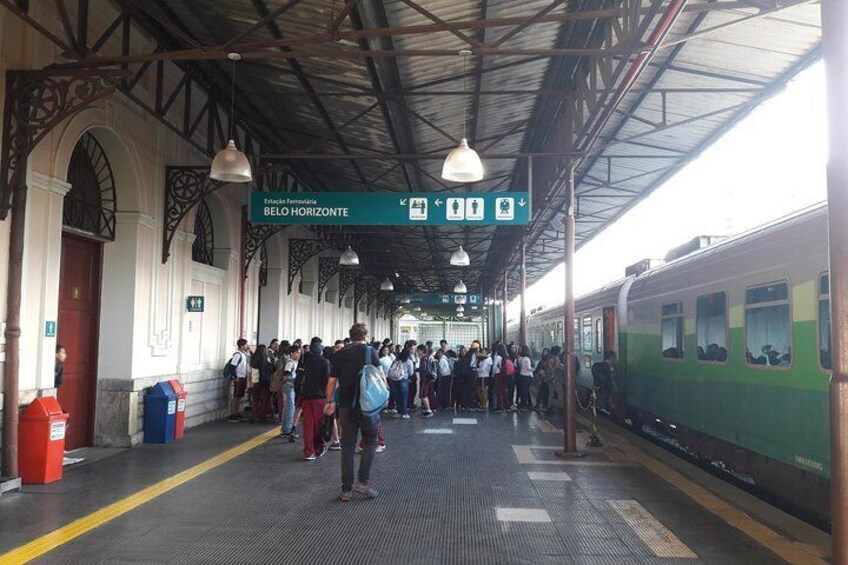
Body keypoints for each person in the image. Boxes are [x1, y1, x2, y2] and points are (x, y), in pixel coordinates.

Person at [324, 323, 382, 501]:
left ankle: (346, 490)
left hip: (346, 406)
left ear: (350, 336)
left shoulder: (339, 354)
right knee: (371, 442)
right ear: (365, 336)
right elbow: (380, 376)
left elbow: (332, 381)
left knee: (347, 446)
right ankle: (362, 483)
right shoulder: (369, 352)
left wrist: (330, 401)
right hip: (368, 406)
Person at [298, 337, 331, 461]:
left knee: (308, 425)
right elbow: (327, 381)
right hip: (319, 397)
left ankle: (308, 452)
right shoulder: (324, 362)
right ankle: (318, 448)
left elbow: (299, 378)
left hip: (306, 397)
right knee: (318, 425)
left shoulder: (304, 361)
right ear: (320, 351)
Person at [280, 347, 301, 441]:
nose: (298, 354)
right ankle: (288, 430)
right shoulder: (290, 363)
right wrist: (294, 382)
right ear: (291, 353)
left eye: (299, 353)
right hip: (289, 387)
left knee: (288, 407)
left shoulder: (295, 363)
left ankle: (285, 429)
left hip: (291, 387)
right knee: (290, 407)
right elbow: (285, 375)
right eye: (296, 352)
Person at [250, 344, 273, 423]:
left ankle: (255, 415)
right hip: (265, 382)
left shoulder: (253, 359)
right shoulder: (266, 360)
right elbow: (271, 368)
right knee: (264, 400)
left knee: (255, 399)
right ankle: (262, 415)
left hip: (256, 382)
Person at [388, 348, 414, 419]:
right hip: (404, 379)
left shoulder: (396, 360)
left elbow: (390, 368)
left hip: (394, 379)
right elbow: (411, 373)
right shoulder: (409, 362)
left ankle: (399, 412)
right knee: (404, 397)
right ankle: (404, 413)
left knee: (397, 396)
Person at [417, 344, 436, 418]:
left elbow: (423, 369)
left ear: (421, 350)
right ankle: (427, 409)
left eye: (418, 350)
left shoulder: (423, 358)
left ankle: (428, 410)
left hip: (425, 378)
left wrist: (416, 369)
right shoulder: (428, 357)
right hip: (428, 378)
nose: (417, 352)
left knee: (423, 395)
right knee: (425, 394)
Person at [517, 345, 534, 411]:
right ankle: (524, 405)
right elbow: (529, 368)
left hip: (522, 375)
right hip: (527, 376)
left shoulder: (521, 358)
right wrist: (533, 369)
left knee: (523, 391)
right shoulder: (526, 359)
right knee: (525, 391)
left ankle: (523, 404)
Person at [476, 347, 492, 411]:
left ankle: (484, 404)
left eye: (483, 351)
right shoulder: (482, 359)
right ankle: (482, 403)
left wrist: (476, 370)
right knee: (478, 390)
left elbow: (483, 369)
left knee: (484, 391)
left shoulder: (488, 359)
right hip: (480, 376)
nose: (482, 352)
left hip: (484, 376)